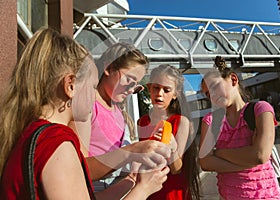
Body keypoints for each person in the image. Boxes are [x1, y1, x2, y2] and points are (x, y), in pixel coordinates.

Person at [0, 28, 169, 200]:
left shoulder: (34, 133)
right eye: (92, 87)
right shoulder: (57, 143)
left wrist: (134, 182)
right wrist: (142, 190)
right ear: (70, 86)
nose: (93, 95)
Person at [70, 42, 172, 198]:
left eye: (136, 84)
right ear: (108, 68)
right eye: (128, 80)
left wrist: (139, 159)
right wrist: (132, 151)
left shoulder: (118, 112)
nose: (131, 89)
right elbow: (79, 169)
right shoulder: (87, 105)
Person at [199, 56, 280, 199]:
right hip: (228, 194)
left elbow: (260, 155)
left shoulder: (261, 109)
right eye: (207, 94)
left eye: (214, 87)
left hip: (265, 195)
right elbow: (205, 162)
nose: (212, 96)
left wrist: (218, 153)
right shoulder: (211, 120)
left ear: (233, 79)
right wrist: (247, 160)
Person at [137, 64, 201, 200]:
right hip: (148, 189)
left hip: (171, 191)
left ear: (175, 94)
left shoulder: (181, 121)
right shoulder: (141, 122)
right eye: (156, 88)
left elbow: (177, 169)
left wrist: (172, 148)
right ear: (149, 88)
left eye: (166, 90)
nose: (159, 94)